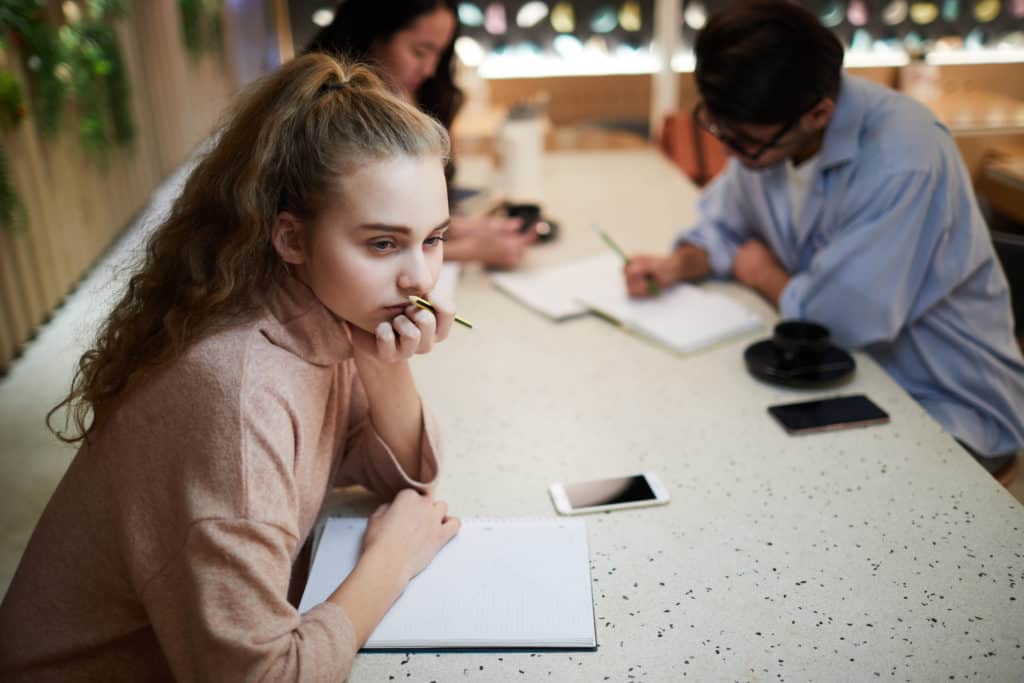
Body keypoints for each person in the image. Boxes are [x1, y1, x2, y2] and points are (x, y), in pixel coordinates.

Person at [0, 53, 461, 680]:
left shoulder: (320, 311)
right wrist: (389, 561)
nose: (419, 278)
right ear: (290, 238)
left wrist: (383, 364)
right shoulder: (238, 393)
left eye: (432, 238)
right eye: (383, 243)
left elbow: (406, 475)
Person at [624, 0, 1024, 476]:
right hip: (836, 379)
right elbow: (722, 225)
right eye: (718, 128)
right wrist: (679, 264)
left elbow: (839, 319)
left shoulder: (904, 158)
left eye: (744, 141)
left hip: (942, 405)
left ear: (818, 114)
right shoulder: (768, 125)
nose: (731, 149)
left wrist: (762, 271)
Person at [306, 0, 537, 269]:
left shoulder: (408, 94)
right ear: (374, 33)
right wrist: (473, 248)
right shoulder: (328, 116)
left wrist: (467, 229)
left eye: (438, 55)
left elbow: (402, 214)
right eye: (419, 51)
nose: (429, 69)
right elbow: (363, 239)